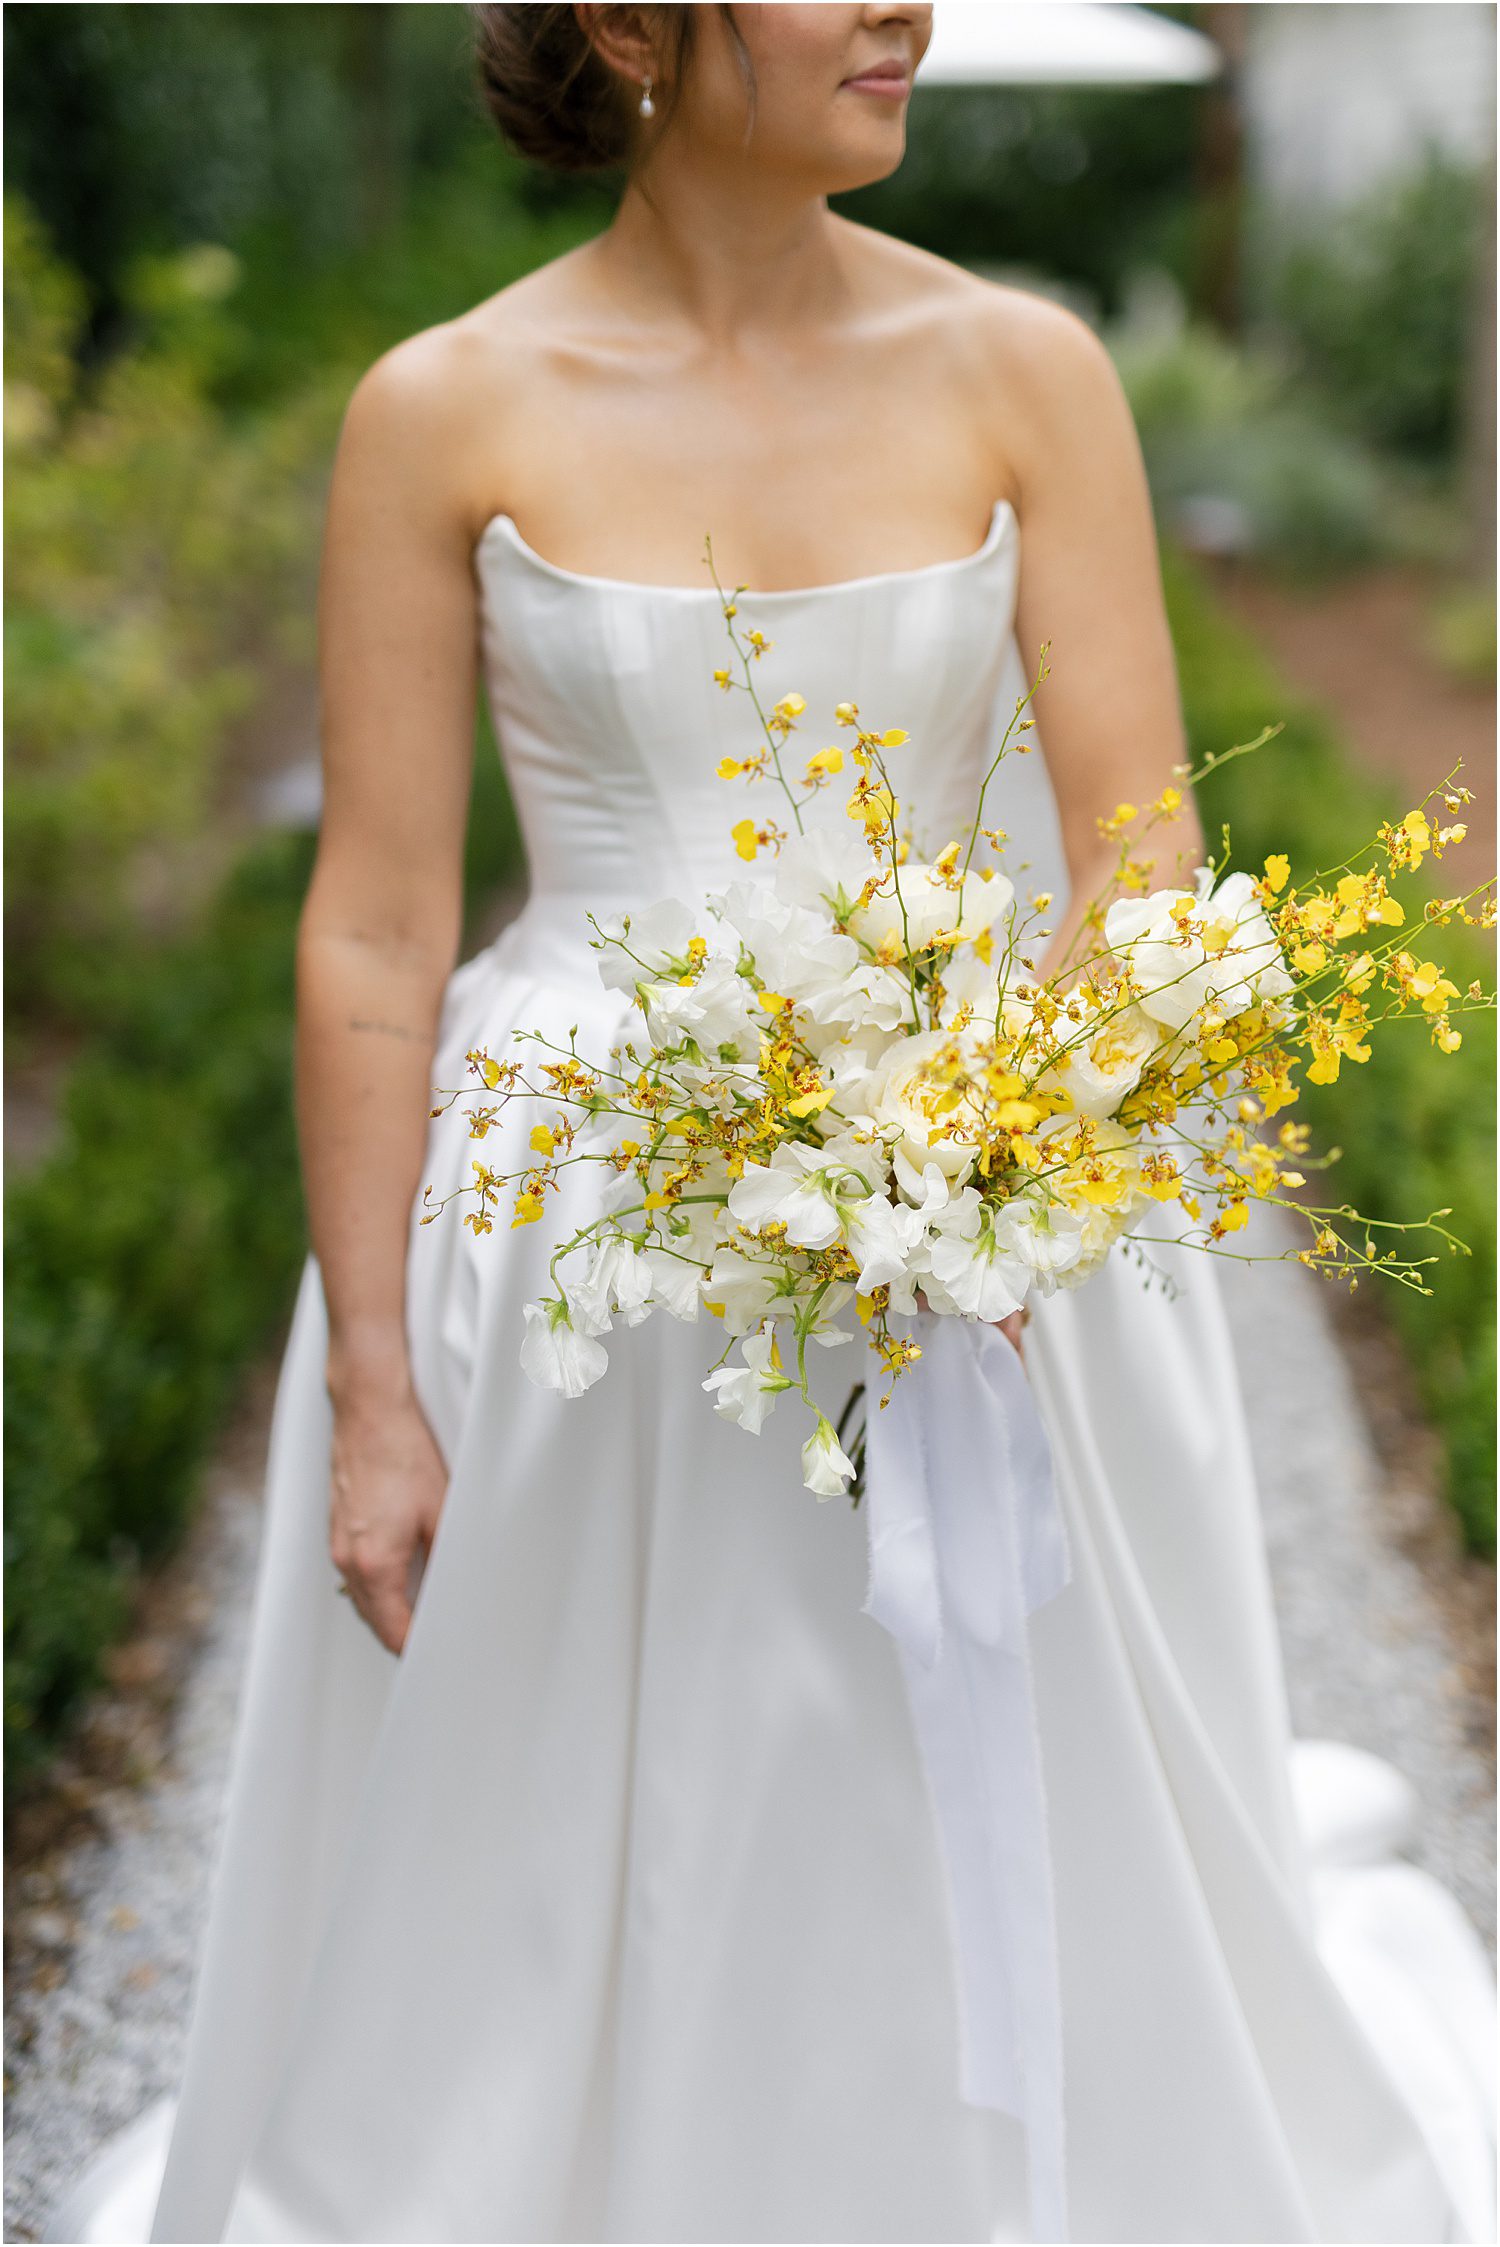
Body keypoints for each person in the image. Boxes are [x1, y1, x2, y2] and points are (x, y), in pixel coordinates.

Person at [48, 6, 1495, 2242]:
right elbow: (378, 923)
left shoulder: (1029, 373)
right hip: (581, 1242)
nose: (906, 4)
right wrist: (371, 1389)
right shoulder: (441, 410)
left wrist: (1012, 1178)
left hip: (994, 1235)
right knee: (598, 1820)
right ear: (631, 21)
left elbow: (1139, 861)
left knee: (982, 1775)